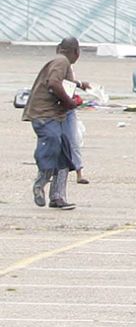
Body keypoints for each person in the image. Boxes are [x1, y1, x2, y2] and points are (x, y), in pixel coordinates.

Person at [23, 37, 83, 210]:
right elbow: (54, 83)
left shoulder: (60, 61)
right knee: (52, 147)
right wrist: (69, 102)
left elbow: (62, 83)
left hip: (56, 116)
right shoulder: (62, 62)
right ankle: (40, 184)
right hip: (45, 115)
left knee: (64, 153)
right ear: (76, 52)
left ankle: (57, 197)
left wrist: (79, 85)